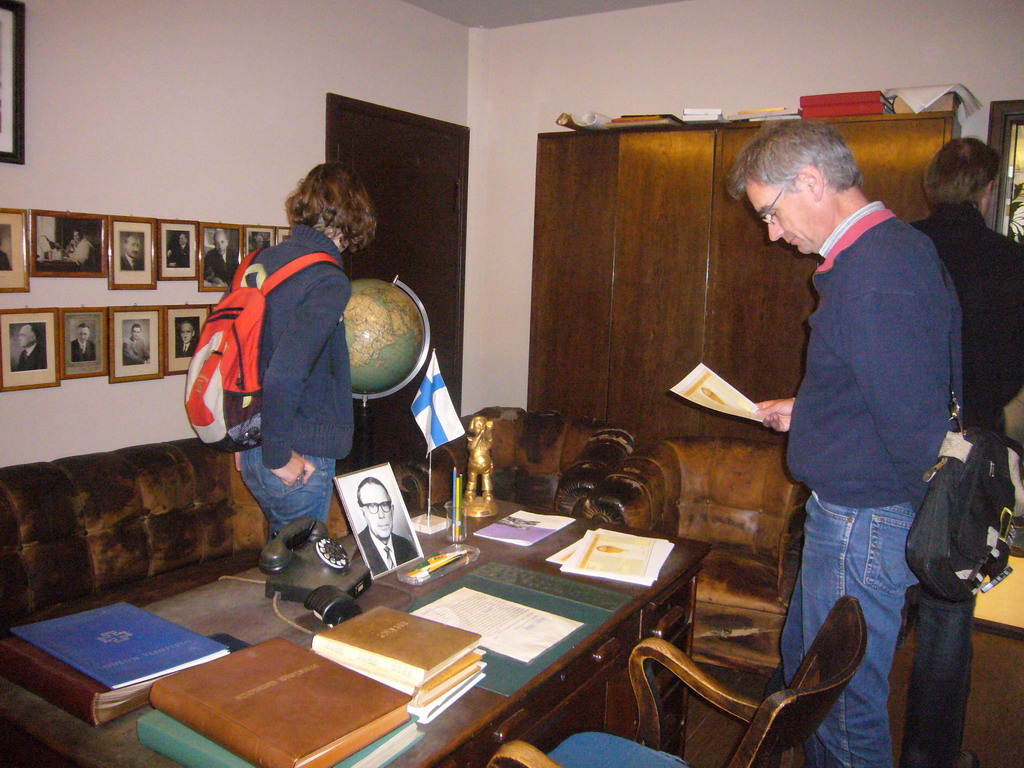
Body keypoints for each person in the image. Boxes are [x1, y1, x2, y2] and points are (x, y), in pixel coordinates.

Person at [726, 120, 959, 768]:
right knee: (807, 683)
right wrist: (813, 412)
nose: (773, 234)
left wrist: (836, 441)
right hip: (856, 517)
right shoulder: (893, 251)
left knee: (841, 713)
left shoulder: (875, 273)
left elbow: (915, 431)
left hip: (863, 521)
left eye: (771, 213)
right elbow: (889, 383)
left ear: (811, 181)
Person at [898, 138, 1024, 768]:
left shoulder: (899, 248)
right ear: (986, 190)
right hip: (966, 454)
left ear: (931, 186)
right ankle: (930, 757)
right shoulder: (1011, 261)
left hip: (894, 444)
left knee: (867, 598)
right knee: (949, 605)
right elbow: (1012, 372)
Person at [235, 162, 376, 539]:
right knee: (304, 581)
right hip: (295, 452)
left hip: (255, 443)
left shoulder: (260, 263)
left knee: (287, 567)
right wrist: (278, 454)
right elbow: (283, 372)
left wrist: (246, 437)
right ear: (354, 218)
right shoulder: (326, 279)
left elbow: (240, 357)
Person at [354, 476, 418, 575]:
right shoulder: (358, 552)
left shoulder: (406, 545)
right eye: (372, 506)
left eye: (384, 505)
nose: (381, 515)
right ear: (363, 513)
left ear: (392, 510)